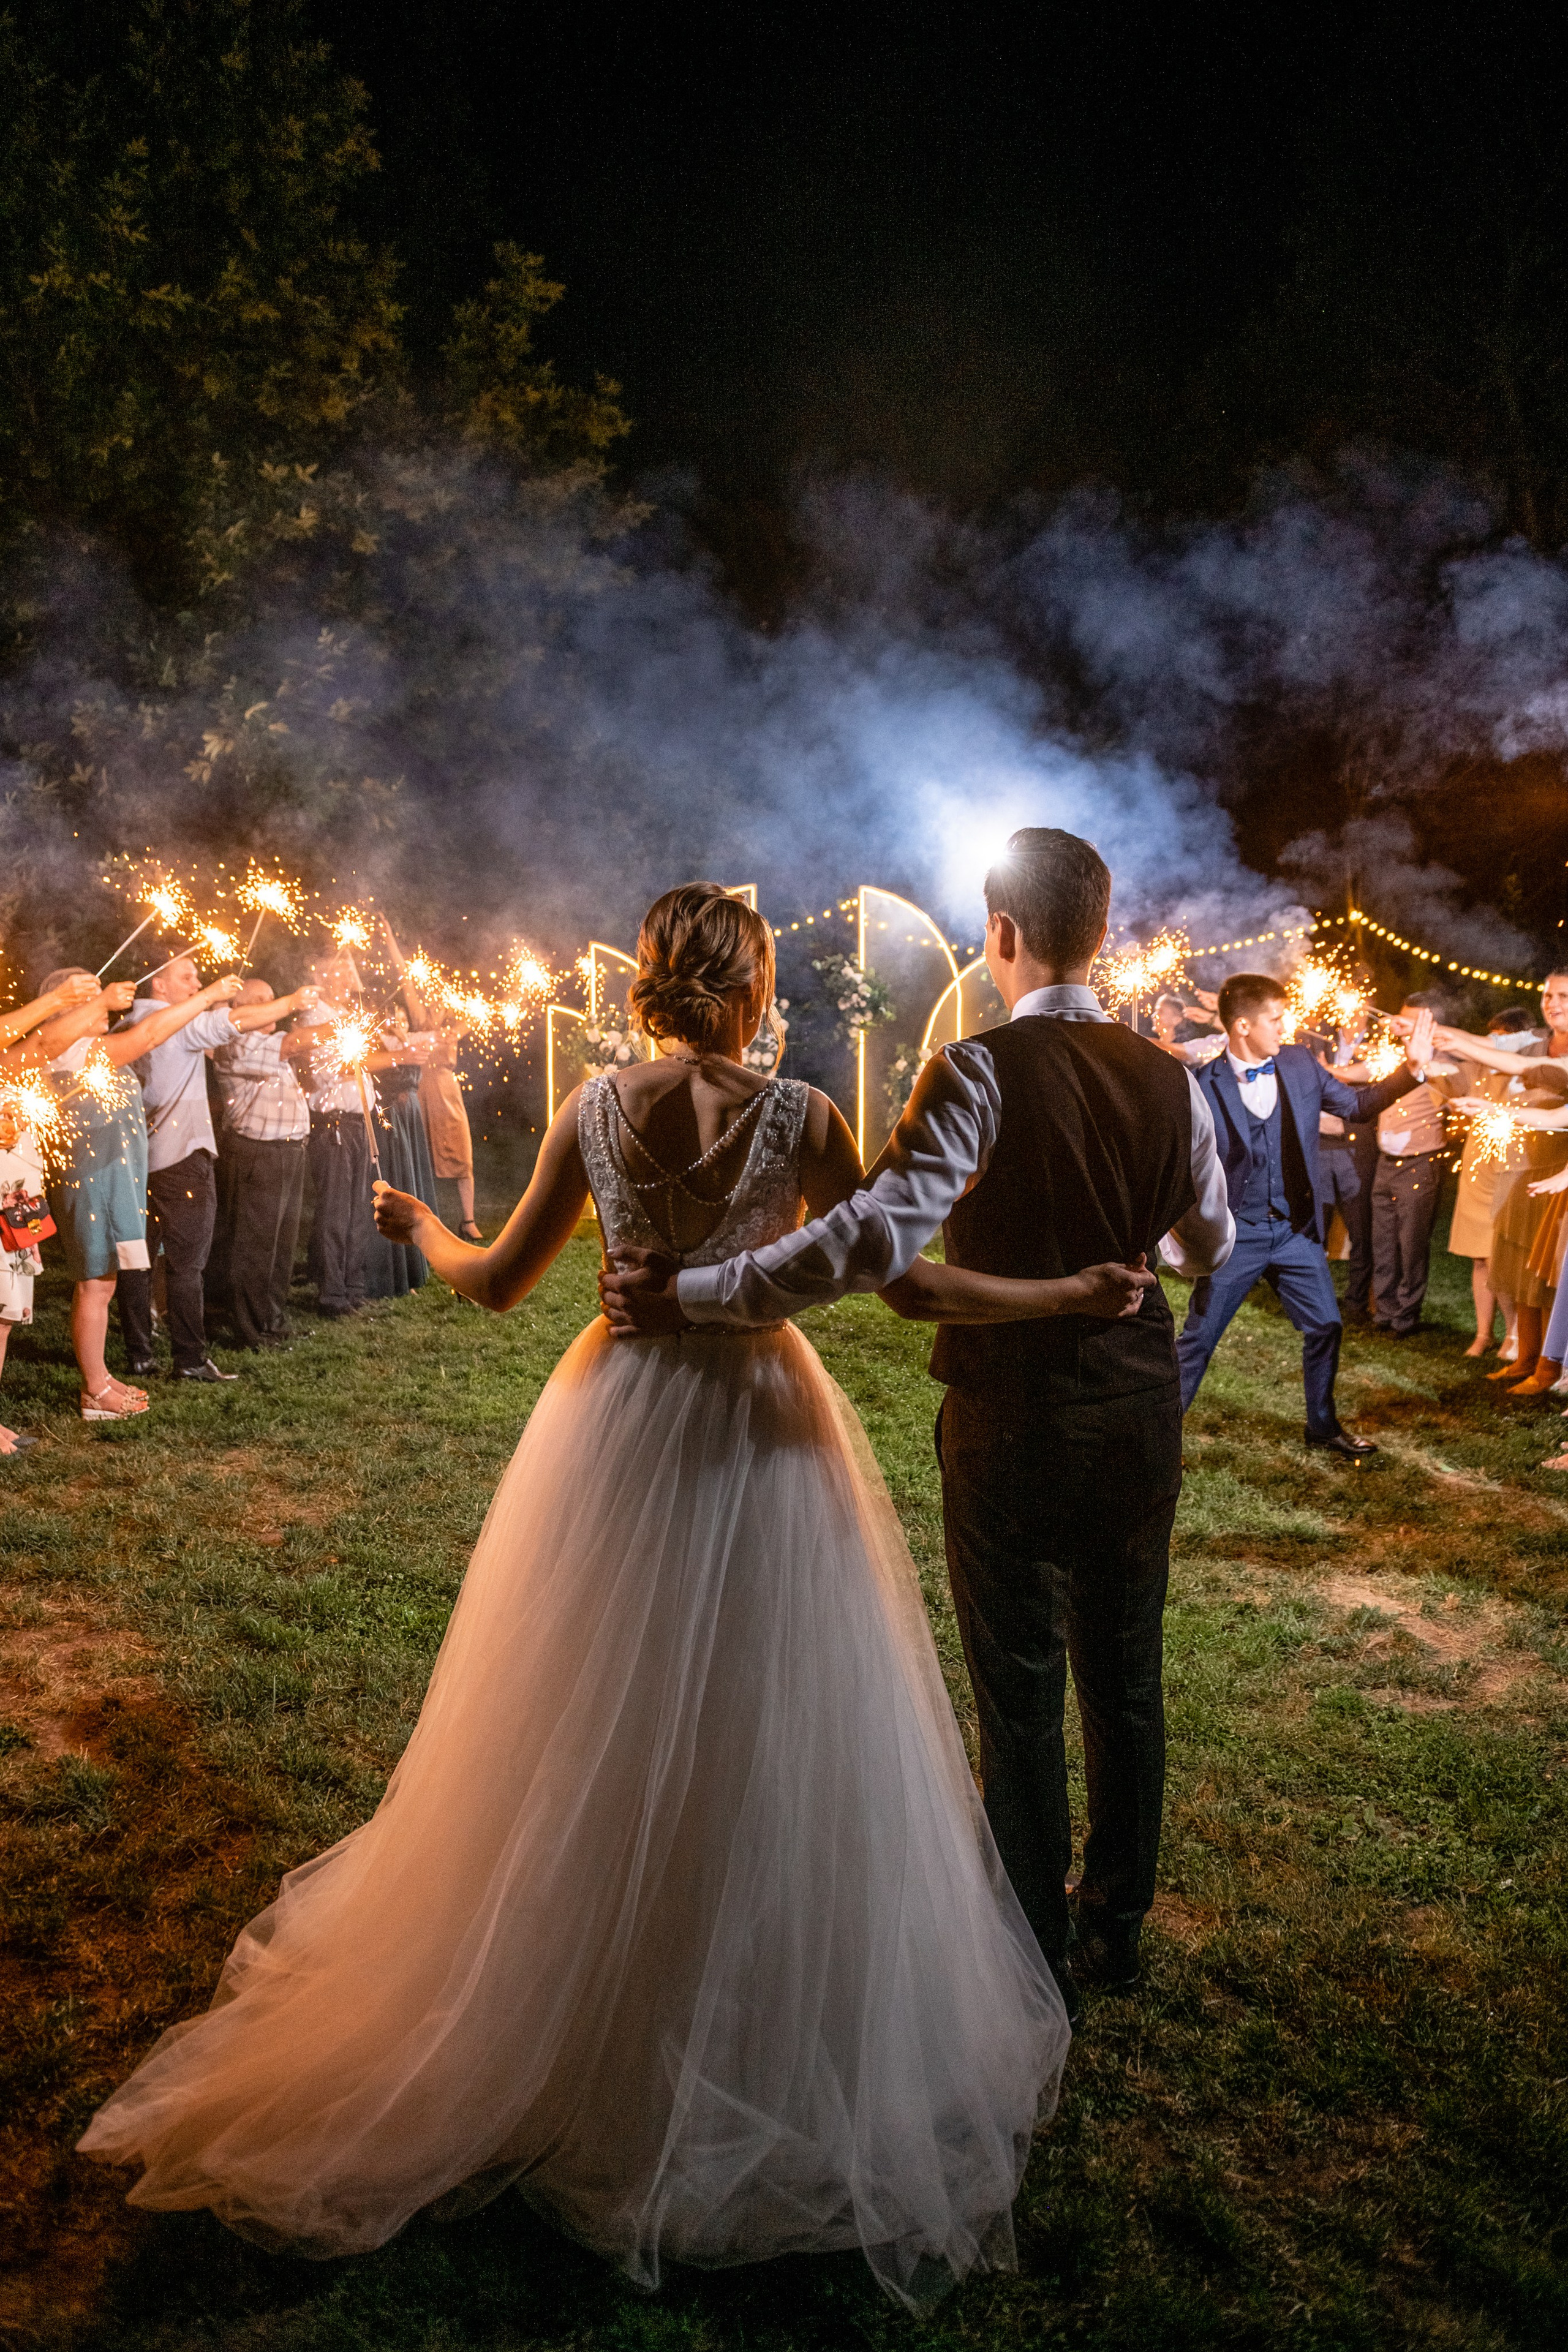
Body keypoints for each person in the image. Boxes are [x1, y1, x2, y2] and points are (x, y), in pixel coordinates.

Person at [77, 880, 1156, 2307]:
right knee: (773, 1714)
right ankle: (757, 2018)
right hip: (765, 1416)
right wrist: (1067, 1293)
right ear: (755, 988)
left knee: (587, 1712)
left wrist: (418, 1224)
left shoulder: (596, 1104)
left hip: (621, 1414)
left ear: (649, 983)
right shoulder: (808, 1117)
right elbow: (906, 1288)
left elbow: (497, 1284)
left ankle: (570, 2009)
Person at [603, 832, 1235, 2004]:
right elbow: (1208, 1250)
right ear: (1100, 932)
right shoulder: (1175, 1081)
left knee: (1019, 1681)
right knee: (1128, 1672)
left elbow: (866, 1246)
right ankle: (1119, 1919)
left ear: (1000, 935)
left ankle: (1031, 1945)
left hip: (1012, 1420)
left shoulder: (975, 1072)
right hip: (1140, 1417)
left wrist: (689, 1293)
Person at [1177, 973, 1434, 1453]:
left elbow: (1357, 1106)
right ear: (1242, 1026)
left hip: (1295, 1231)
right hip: (1239, 1234)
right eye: (1276, 1019)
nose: (1285, 1027)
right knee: (1199, 1339)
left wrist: (1411, 1070)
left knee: (1326, 1325)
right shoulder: (1203, 1084)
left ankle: (1321, 1427)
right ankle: (1156, 1437)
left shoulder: (1297, 1062)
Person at [36, 970, 243, 1420]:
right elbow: (149, 1034)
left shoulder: (86, 1048)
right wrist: (210, 995)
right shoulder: (75, 1050)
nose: (107, 1003)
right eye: (91, 996)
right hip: (97, 1181)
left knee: (103, 1282)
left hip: (114, 1178)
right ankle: (94, 1390)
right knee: (96, 1283)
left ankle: (102, 1376)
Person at [115, 959, 315, 1383]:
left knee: (137, 1261)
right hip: (183, 1161)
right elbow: (238, 1019)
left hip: (133, 1161)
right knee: (187, 1265)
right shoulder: (182, 1025)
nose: (198, 984)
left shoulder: (123, 1030)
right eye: (186, 977)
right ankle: (189, 1358)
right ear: (160, 985)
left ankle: (139, 1356)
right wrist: (293, 1001)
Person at [1434, 974, 1568, 1384]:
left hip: (1557, 1175)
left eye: (1564, 995)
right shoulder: (1534, 1041)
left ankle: (1551, 1368)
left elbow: (1524, 1067)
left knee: (1552, 1276)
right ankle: (1529, 1358)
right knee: (1523, 1268)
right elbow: (1548, 1114)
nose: (1552, 1002)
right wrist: (1491, 1111)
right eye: (1548, 995)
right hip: (1526, 1170)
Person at [1, 973, 102, 1453]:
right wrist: (58, 999)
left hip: (19, 1199)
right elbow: (39, 1042)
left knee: (4, 1314)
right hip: (4, 1200)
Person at [209, 979, 320, 1351]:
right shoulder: (236, 1043)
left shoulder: (270, 1045)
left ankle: (272, 1320)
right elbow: (295, 1043)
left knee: (281, 1246)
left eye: (272, 999)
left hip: (288, 1152)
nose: (270, 1006)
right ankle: (250, 1330)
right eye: (259, 1001)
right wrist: (336, 1022)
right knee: (255, 1247)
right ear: (239, 1011)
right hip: (259, 1153)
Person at [1443, 1005, 1539, 1357]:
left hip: (1512, 1165)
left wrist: (1442, 1030)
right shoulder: (1479, 1065)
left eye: (1501, 1037)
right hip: (1477, 1166)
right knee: (1478, 1257)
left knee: (1503, 1256)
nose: (1493, 1043)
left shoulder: (1530, 1060)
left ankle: (1516, 1332)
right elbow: (1447, 1077)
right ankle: (1484, 1334)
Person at [380, 919, 481, 1239]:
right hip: (419, 1084)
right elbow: (402, 974)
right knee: (418, 1152)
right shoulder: (418, 1011)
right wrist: (390, 937)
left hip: (447, 1089)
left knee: (461, 1153)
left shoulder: (459, 1018)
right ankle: (421, 1218)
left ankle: (468, 1221)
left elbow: (483, 1014)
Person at [1368, 990, 1454, 1338]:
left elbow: (1454, 1083)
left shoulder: (1443, 1061)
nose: (1399, 1026)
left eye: (1409, 1022)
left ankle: (1406, 1315)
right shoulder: (1390, 1056)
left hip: (1419, 1165)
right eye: (1399, 1019)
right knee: (1383, 1241)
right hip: (1384, 1163)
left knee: (1411, 1242)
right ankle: (1384, 1310)